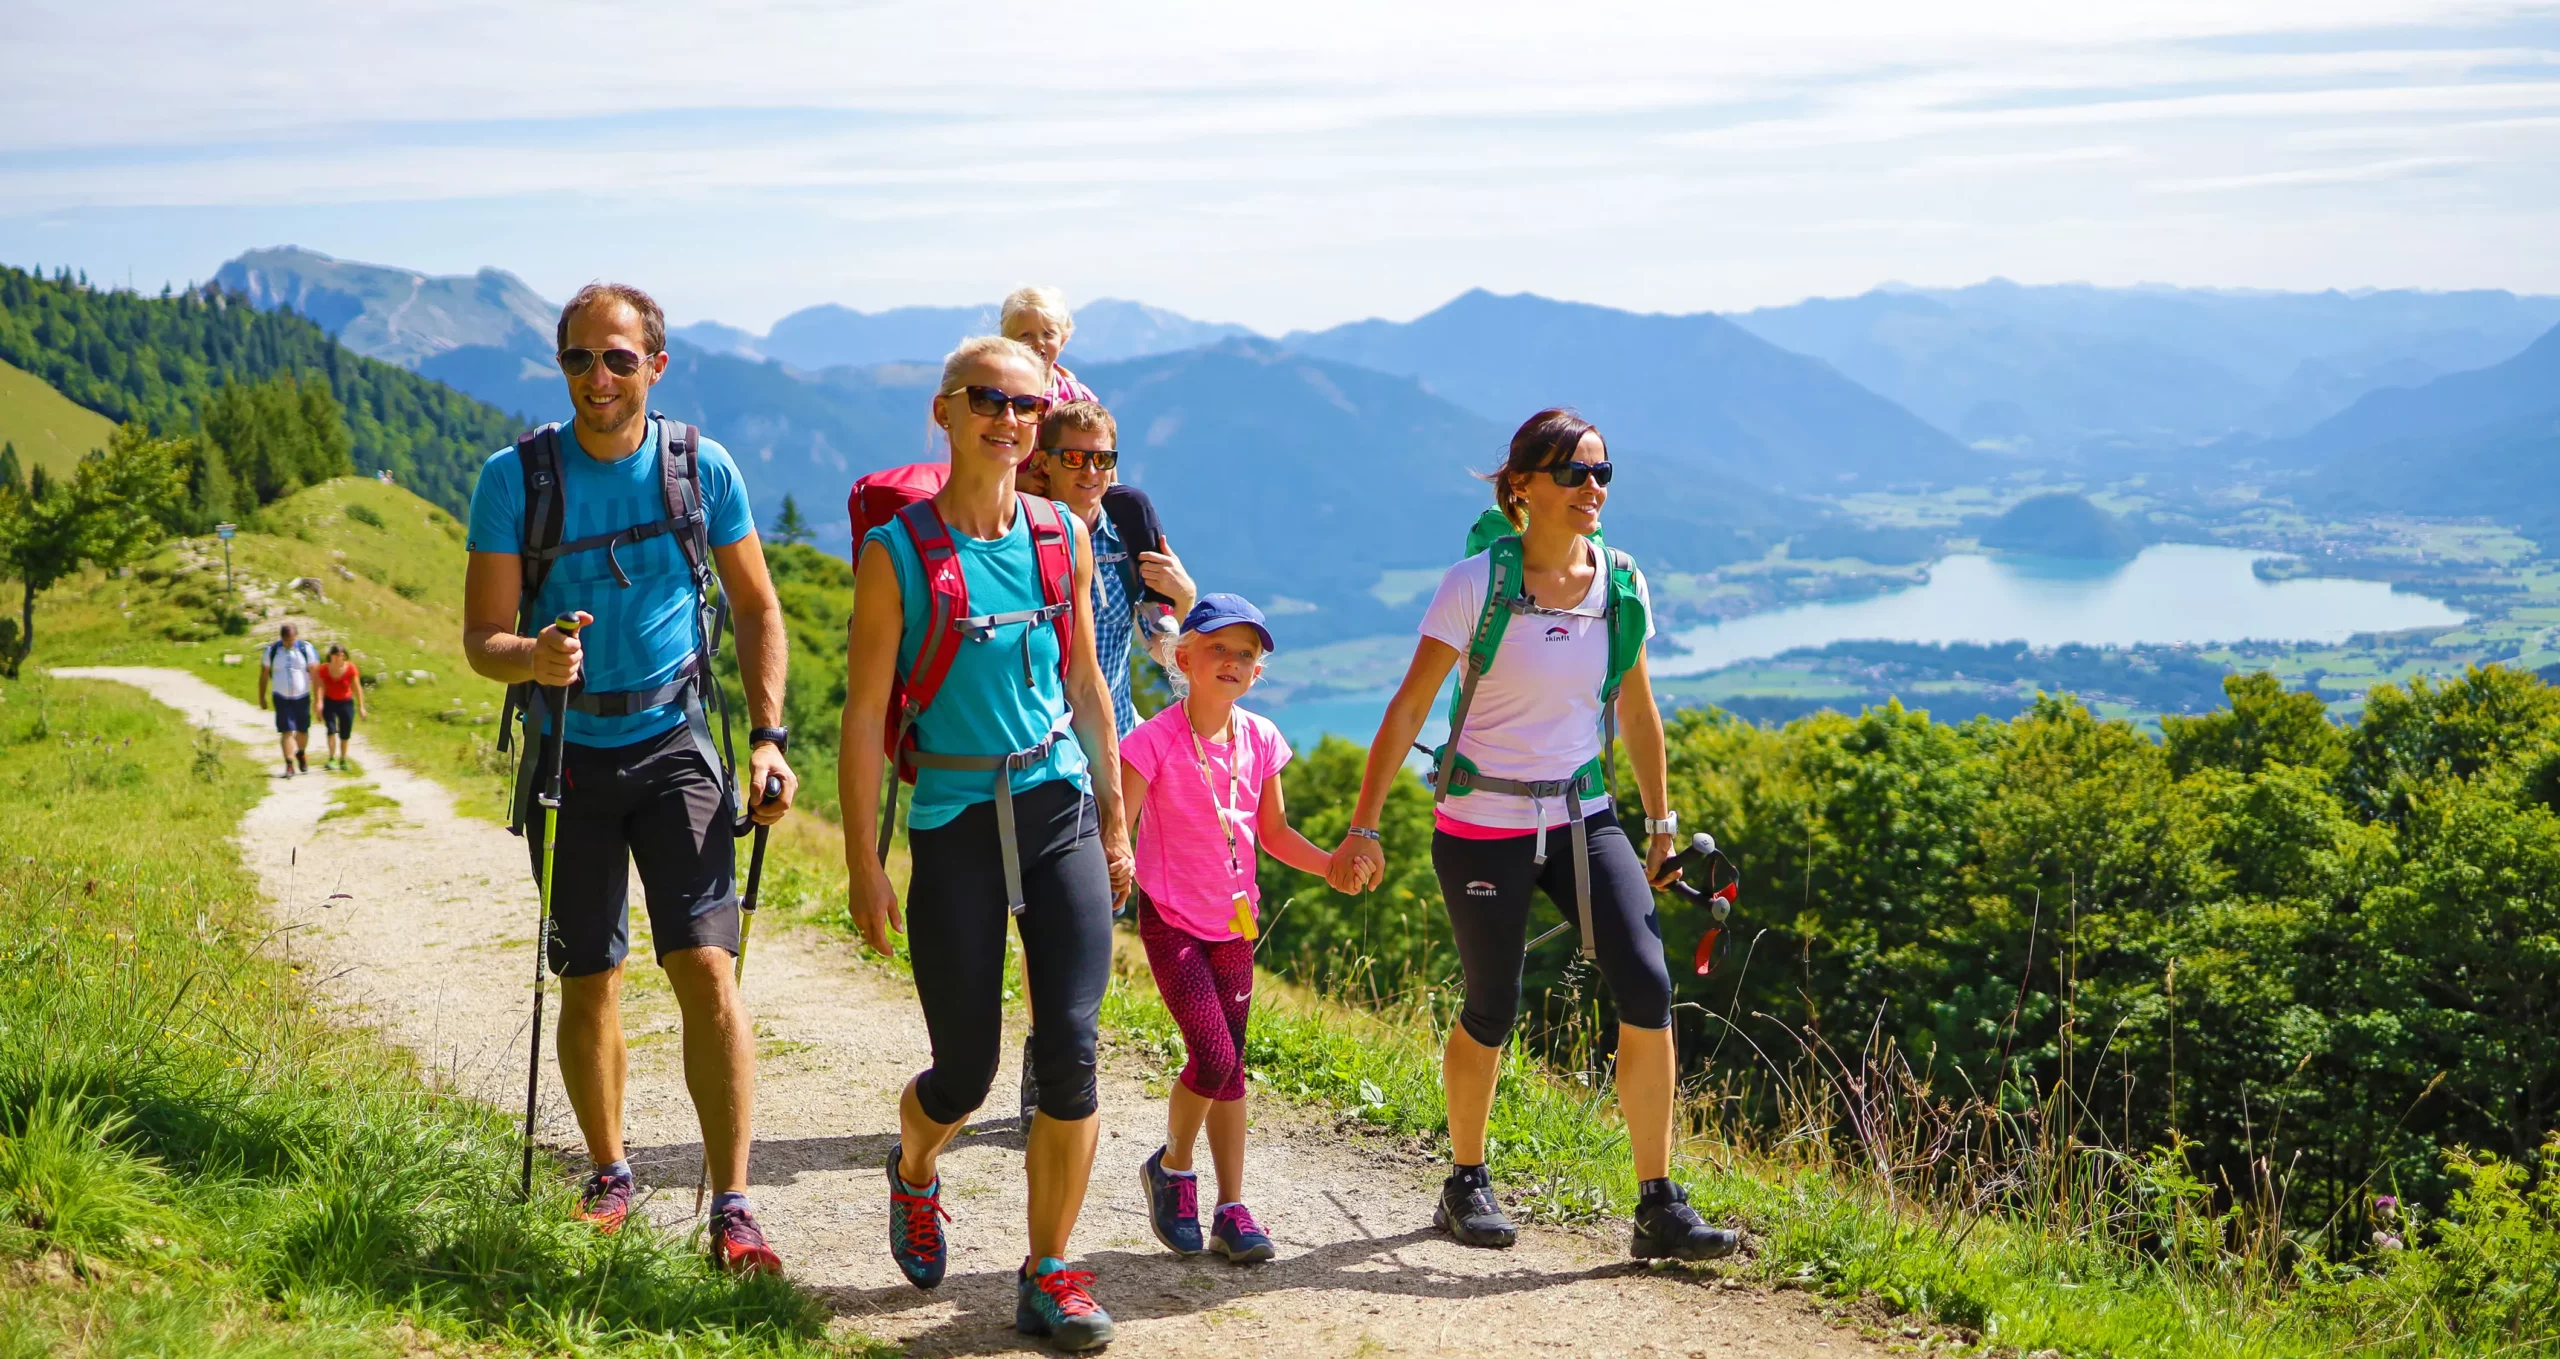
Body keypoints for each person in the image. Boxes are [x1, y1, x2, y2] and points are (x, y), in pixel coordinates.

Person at [1327, 408, 1739, 1264]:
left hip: (1585, 813)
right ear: (1524, 486)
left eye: (1603, 473)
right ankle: (1466, 1180)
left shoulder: (1620, 582)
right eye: (1576, 473)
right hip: (1483, 821)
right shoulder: (1475, 583)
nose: (1595, 488)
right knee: (1493, 1002)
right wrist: (1364, 825)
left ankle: (1658, 1201)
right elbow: (1406, 708)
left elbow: (1635, 707)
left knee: (1648, 981)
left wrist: (1659, 825)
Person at [461, 281, 799, 1276]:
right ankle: (610, 1174)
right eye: (578, 360)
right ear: (560, 366)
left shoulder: (702, 469)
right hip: (567, 756)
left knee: (705, 969)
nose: (596, 379)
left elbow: (757, 609)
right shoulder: (513, 480)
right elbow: (482, 639)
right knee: (589, 976)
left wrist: (771, 738)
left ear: (656, 364)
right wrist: (532, 658)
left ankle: (732, 1203)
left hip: (675, 744)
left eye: (616, 359)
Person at [842, 334, 1133, 1352]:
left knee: (1071, 1047)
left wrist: (1115, 815)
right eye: (988, 401)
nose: (1008, 421)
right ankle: (915, 1169)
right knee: (963, 1074)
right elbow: (866, 710)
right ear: (946, 411)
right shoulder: (898, 554)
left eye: (1025, 407)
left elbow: (1087, 687)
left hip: (1055, 807)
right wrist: (862, 864)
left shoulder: (1062, 535)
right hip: (956, 820)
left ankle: (1049, 1267)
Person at [1122, 594, 1340, 1264]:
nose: (1234, 661)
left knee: (1232, 1067)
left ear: (1257, 673)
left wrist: (1329, 865)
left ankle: (1231, 1207)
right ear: (1183, 658)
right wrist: (1106, 880)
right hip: (1171, 919)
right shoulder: (1151, 740)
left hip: (1234, 923)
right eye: (1219, 647)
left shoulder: (1263, 739)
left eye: (1247, 654)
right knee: (1213, 1057)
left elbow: (1271, 833)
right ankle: (1174, 1168)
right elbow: (1118, 833)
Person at [1013, 399, 1197, 1122]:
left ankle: (1059, 1055)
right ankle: (1050, 1053)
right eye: (1075, 457)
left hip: (1115, 747)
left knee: (1093, 911)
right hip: (1030, 751)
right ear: (1045, 462)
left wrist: (1183, 600)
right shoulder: (1017, 528)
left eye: (1103, 458)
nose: (1091, 471)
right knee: (1048, 914)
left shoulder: (1125, 523)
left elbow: (1165, 645)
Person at [1002, 285, 1098, 411]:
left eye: (1048, 333)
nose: (1039, 342)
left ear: (1062, 340)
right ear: (1008, 341)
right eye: (1026, 335)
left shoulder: (1078, 398)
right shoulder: (1000, 395)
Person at [256, 622, 320, 777]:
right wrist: (262, 697)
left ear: (296, 637)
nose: (289, 643)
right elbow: (264, 675)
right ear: (281, 638)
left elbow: (316, 675)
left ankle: (301, 753)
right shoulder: (272, 651)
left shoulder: (306, 649)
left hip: (302, 696)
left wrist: (319, 700)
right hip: (281, 696)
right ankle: (289, 764)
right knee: (286, 731)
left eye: (291, 640)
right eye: (286, 641)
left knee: (302, 730)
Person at [316, 643, 368, 770]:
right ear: (331, 656)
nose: (339, 658)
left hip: (346, 702)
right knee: (331, 730)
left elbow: (357, 688)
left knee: (345, 733)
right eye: (336, 655)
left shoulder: (351, 669)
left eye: (341, 655)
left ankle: (343, 759)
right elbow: (320, 687)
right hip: (330, 702)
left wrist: (361, 706)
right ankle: (332, 758)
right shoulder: (324, 669)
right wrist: (319, 702)